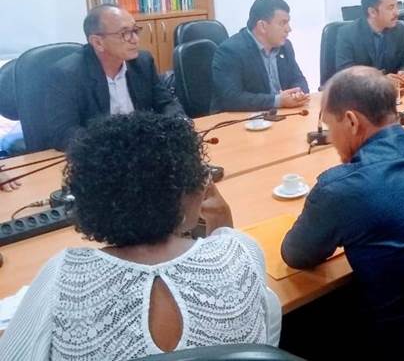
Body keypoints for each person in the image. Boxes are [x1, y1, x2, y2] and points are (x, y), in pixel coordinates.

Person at [0, 112, 281, 360]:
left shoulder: (62, 276)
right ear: (189, 190)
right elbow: (265, 340)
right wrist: (223, 229)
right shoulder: (241, 251)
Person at [281, 66, 404, 354]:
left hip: (392, 341)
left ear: (351, 121)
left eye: (329, 126)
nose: (329, 139)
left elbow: (296, 254)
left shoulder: (341, 188)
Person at [45, 5, 184, 151]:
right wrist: (115, 144)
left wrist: (177, 124)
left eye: (135, 30)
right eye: (125, 33)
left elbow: (167, 104)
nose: (135, 39)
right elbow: (64, 132)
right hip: (98, 156)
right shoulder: (67, 74)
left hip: (142, 151)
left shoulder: (142, 62)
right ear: (98, 42)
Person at [211, 0, 309, 112]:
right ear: (262, 26)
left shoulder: (285, 46)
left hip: (281, 114)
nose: (289, 29)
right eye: (283, 23)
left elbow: (298, 79)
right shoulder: (230, 51)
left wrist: (298, 94)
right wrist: (277, 101)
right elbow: (232, 98)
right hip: (243, 118)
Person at [335, 0, 404, 88]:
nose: (397, 13)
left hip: (393, 93)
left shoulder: (401, 31)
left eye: (396, 6)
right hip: (360, 94)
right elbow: (346, 74)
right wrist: (380, 80)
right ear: (372, 12)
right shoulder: (347, 34)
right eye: (390, 8)